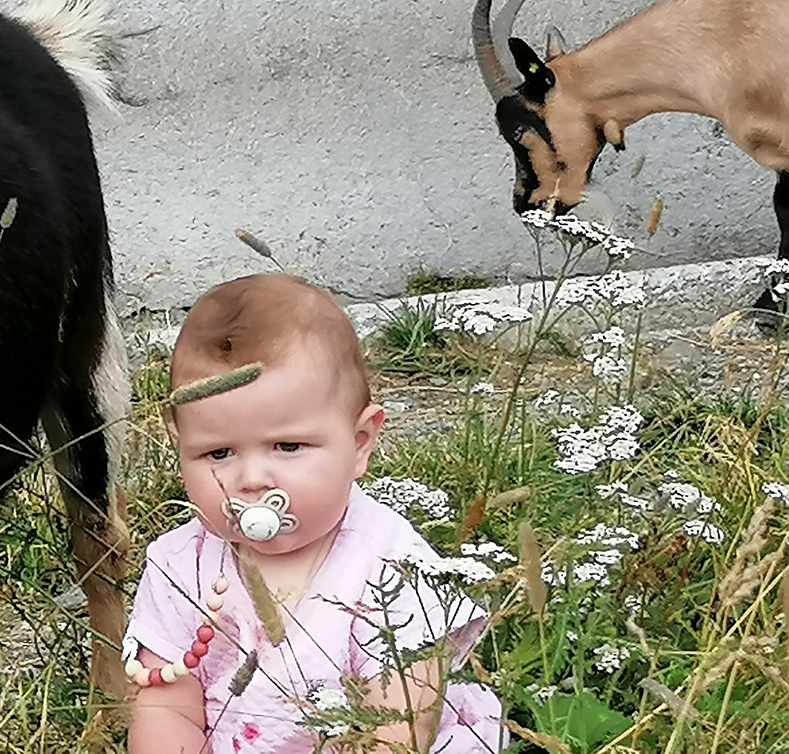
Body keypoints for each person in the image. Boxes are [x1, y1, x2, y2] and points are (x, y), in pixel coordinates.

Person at [125, 273, 507, 753]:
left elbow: (395, 724)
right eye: (219, 454)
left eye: (288, 446)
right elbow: (166, 707)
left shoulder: (389, 562)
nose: (252, 479)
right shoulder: (179, 564)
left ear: (359, 443)